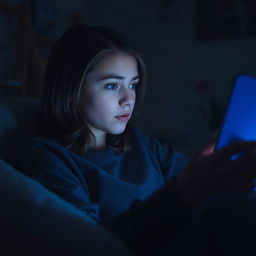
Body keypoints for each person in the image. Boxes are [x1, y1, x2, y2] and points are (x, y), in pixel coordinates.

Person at [21, 24, 256, 255]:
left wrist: (215, 169)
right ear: (72, 88)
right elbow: (87, 242)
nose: (128, 99)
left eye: (132, 84)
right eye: (112, 85)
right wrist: (183, 193)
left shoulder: (136, 142)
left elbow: (188, 174)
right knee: (226, 210)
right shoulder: (50, 159)